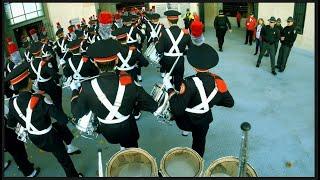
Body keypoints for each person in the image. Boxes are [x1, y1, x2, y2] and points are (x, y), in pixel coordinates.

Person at [70, 38, 158, 150]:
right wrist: (134, 103)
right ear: (116, 60)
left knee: (121, 142)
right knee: (133, 148)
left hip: (108, 132)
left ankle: (122, 148)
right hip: (128, 129)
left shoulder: (87, 87)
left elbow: (77, 112)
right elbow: (152, 106)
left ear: (95, 63)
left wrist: (74, 91)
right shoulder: (129, 83)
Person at [5, 62, 83, 177]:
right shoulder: (40, 100)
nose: (31, 81)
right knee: (64, 160)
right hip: (49, 137)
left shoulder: (12, 103)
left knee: (58, 127)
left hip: (34, 137)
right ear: (28, 83)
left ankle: (70, 145)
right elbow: (62, 119)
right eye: (30, 80)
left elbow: (11, 123)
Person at [161, 42, 234, 157]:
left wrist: (169, 88)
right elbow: (230, 103)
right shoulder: (218, 81)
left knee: (178, 107)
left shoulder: (188, 82)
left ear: (194, 67)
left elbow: (177, 109)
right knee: (199, 143)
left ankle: (185, 131)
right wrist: (212, 101)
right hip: (204, 120)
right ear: (210, 66)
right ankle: (197, 163)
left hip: (186, 121)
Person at [156, 10, 191, 91]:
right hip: (179, 61)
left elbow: (159, 50)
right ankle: (179, 96)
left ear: (168, 19)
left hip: (167, 61)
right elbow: (191, 49)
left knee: (168, 81)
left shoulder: (164, 33)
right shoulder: (185, 33)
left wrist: (156, 42)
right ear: (178, 19)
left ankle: (170, 96)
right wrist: (182, 53)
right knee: (179, 80)